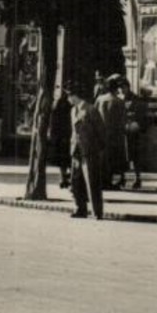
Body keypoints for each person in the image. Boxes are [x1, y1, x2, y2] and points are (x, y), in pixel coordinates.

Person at [65, 79, 106, 220]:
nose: (68, 99)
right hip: (76, 150)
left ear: (74, 96)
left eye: (69, 96)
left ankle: (97, 211)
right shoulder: (72, 111)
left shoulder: (91, 110)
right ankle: (80, 208)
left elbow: (101, 131)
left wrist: (98, 149)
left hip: (89, 151)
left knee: (92, 182)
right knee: (75, 181)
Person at [95, 74, 128, 188]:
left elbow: (95, 114)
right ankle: (108, 181)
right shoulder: (119, 101)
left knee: (102, 157)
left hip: (101, 132)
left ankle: (101, 181)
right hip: (115, 134)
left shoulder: (100, 99)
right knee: (113, 158)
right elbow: (123, 119)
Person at [120, 78, 146, 189]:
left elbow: (141, 114)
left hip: (133, 131)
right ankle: (122, 178)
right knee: (122, 156)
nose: (121, 89)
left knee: (135, 156)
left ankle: (137, 178)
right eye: (120, 88)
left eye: (123, 87)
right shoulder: (120, 99)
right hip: (122, 131)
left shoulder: (135, 99)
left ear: (128, 87)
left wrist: (135, 122)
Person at [50, 90, 72, 189]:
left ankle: (63, 178)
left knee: (62, 160)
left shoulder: (55, 106)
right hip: (67, 136)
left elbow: (53, 123)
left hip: (59, 137)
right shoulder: (69, 107)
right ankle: (68, 178)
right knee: (68, 159)